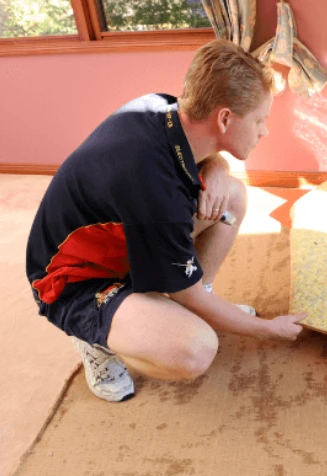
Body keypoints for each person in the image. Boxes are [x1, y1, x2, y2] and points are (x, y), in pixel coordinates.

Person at [25, 39, 306, 403]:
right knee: (194, 348)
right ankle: (97, 338)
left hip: (125, 237)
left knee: (231, 194)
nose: (264, 131)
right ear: (225, 118)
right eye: (259, 120)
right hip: (70, 282)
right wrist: (267, 330)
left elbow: (194, 159)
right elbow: (182, 289)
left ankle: (168, 307)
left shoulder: (160, 107)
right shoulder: (154, 190)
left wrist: (218, 166)